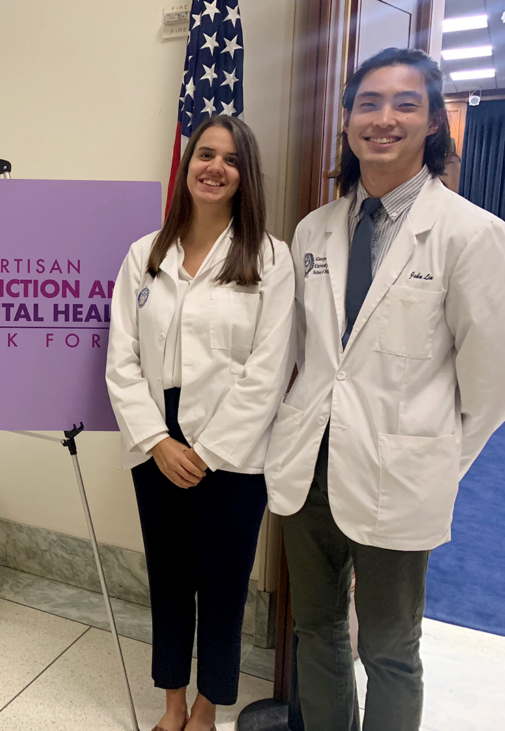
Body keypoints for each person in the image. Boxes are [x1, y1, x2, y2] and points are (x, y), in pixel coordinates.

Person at [265, 48, 505, 731]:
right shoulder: (316, 228)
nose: (383, 119)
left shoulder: (472, 235)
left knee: (390, 647)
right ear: (346, 120)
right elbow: (309, 355)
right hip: (310, 463)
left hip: (401, 472)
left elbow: (491, 385)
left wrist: (434, 460)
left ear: (433, 122)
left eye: (405, 103)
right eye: (368, 103)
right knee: (315, 627)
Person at [106, 116, 295, 731]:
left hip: (233, 448)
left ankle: (209, 707)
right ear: (187, 166)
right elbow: (122, 359)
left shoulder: (270, 257)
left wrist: (208, 451)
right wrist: (158, 441)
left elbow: (270, 368)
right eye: (204, 155)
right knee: (168, 580)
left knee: (223, 589)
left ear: (246, 175)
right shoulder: (145, 253)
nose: (214, 168)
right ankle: (171, 704)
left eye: (231, 159)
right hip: (155, 436)